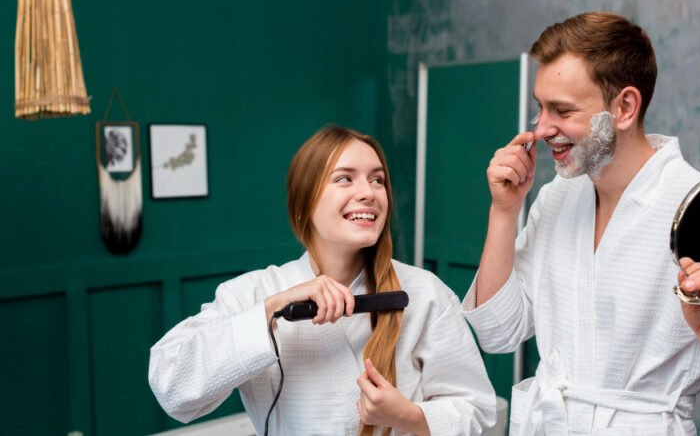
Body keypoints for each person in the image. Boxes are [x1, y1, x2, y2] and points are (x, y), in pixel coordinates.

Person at [461, 12, 700, 435]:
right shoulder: (556, 198)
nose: (542, 128)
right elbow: (497, 332)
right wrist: (504, 211)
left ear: (624, 107)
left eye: (561, 110)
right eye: (540, 107)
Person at [149, 125, 496, 435]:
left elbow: (480, 414)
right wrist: (270, 310)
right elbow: (171, 386)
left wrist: (410, 417)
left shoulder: (424, 293)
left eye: (377, 179)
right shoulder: (255, 293)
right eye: (345, 178)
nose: (368, 192)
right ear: (303, 205)